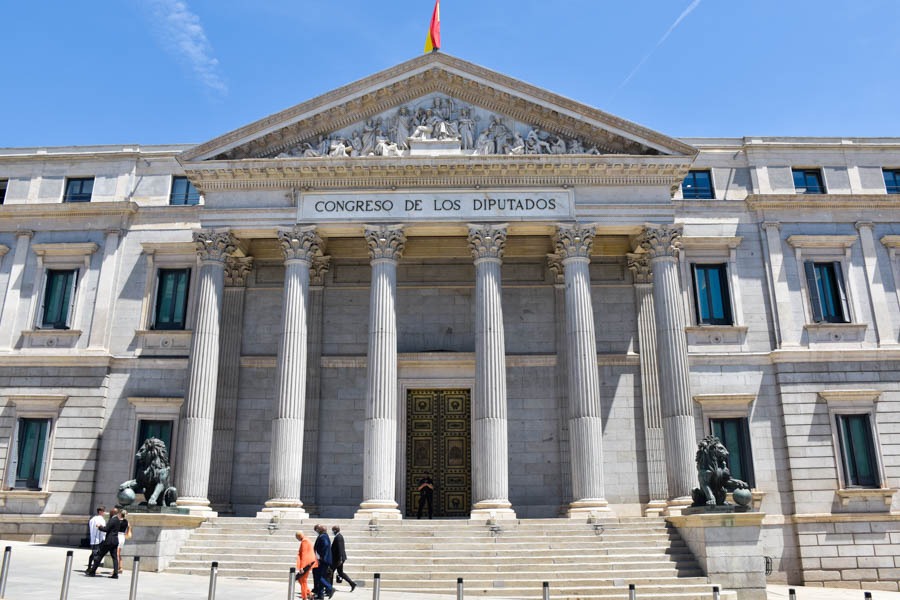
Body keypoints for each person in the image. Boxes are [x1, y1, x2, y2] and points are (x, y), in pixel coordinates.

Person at [86, 508, 120, 578]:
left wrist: (99, 527)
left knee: (100, 555)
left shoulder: (112, 520)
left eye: (110, 512)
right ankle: (115, 574)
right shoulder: (118, 520)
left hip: (109, 541)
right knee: (114, 558)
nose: (109, 513)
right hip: (115, 541)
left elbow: (106, 529)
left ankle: (92, 571)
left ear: (113, 513)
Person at [330, 525, 356, 592]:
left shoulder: (338, 537)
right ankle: (352, 583)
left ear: (335, 530)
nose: (332, 532)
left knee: (330, 572)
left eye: (333, 530)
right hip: (340, 558)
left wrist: (340, 559)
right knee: (340, 572)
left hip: (338, 559)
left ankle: (329, 588)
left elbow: (340, 548)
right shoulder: (338, 536)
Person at [312, 524, 334, 599]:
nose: (317, 531)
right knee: (321, 577)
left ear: (320, 530)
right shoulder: (324, 536)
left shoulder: (323, 536)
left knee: (319, 577)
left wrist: (321, 557)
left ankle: (330, 588)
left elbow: (325, 545)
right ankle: (320, 595)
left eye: (318, 529)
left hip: (323, 561)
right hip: (323, 560)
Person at [295, 531, 317, 600]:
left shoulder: (304, 541)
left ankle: (304, 596)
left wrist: (302, 567)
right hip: (309, 562)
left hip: (307, 563)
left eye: (297, 537)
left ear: (299, 536)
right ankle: (309, 593)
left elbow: (304, 554)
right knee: (300, 579)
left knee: (303, 579)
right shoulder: (307, 539)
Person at [86, 505, 106, 573]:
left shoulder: (92, 519)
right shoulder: (100, 519)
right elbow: (103, 528)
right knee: (96, 554)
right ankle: (94, 569)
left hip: (93, 538)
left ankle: (89, 567)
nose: (104, 513)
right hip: (99, 539)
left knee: (93, 553)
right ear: (100, 512)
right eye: (103, 511)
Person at [116, 509, 130, 574]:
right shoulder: (126, 521)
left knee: (116, 554)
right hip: (123, 537)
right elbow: (129, 527)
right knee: (119, 553)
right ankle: (120, 567)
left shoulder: (118, 521)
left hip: (118, 536)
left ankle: (116, 569)